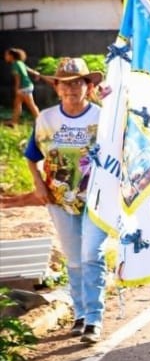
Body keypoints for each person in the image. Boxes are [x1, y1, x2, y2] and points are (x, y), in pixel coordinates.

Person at [24, 58, 106, 344]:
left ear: (89, 86)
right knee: (73, 260)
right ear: (57, 88)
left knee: (91, 255)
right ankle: (81, 314)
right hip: (58, 199)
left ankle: (95, 319)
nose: (71, 89)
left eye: (78, 83)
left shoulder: (102, 117)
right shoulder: (45, 119)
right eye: (65, 84)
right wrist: (39, 186)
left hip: (96, 199)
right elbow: (32, 157)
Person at [6, 47, 40, 123]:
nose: (5, 57)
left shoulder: (15, 64)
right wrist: (36, 73)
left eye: (7, 55)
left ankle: (41, 121)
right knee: (17, 104)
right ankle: (14, 122)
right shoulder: (20, 62)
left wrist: (16, 89)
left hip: (24, 87)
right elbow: (29, 70)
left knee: (31, 105)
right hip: (27, 86)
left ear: (11, 56)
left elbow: (18, 78)